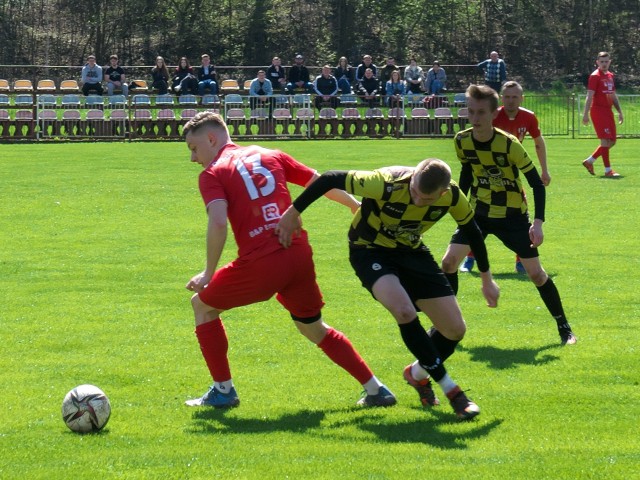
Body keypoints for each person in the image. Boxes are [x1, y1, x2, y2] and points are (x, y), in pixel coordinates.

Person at [183, 111, 396, 408]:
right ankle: (376, 389)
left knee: (202, 306)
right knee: (313, 327)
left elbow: (218, 222)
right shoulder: (270, 154)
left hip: (262, 262)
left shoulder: (213, 173)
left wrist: (208, 273)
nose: (193, 158)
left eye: (194, 149)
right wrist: (354, 205)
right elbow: (319, 183)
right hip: (297, 255)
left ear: (211, 138)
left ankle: (223, 391)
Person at [277, 159, 500, 420]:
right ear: (413, 177)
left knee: (454, 329)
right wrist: (293, 212)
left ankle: (417, 375)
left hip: (412, 252)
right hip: (369, 250)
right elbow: (329, 178)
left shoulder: (451, 195)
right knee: (404, 311)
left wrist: (487, 278)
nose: (417, 200)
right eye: (414, 192)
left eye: (425, 199)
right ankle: (453, 391)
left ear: (441, 193)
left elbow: (472, 231)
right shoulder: (386, 183)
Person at [441, 84, 577, 346]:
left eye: (481, 112)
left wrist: (538, 223)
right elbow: (467, 173)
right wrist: (460, 206)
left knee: (537, 275)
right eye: (471, 112)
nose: (475, 118)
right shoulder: (462, 140)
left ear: (494, 114)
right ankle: (448, 328)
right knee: (448, 263)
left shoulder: (509, 144)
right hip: (478, 214)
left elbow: (536, 183)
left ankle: (564, 327)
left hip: (512, 217)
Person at [461, 80, 550, 274]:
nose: (510, 101)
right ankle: (469, 258)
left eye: (515, 97)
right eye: (507, 97)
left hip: (511, 172)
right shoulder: (491, 114)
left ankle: (521, 260)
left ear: (522, 98)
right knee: (478, 215)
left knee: (518, 215)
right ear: (501, 99)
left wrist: (544, 169)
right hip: (484, 172)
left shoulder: (528, 117)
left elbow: (538, 141)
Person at [581, 51, 624, 177]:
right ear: (597, 62)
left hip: (608, 111)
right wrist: (585, 114)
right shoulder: (595, 76)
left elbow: (613, 95)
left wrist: (620, 111)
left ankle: (590, 161)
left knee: (612, 141)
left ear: (610, 62)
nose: (604, 64)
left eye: (606, 61)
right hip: (598, 111)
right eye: (602, 62)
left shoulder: (610, 75)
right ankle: (608, 171)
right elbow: (589, 96)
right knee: (605, 141)